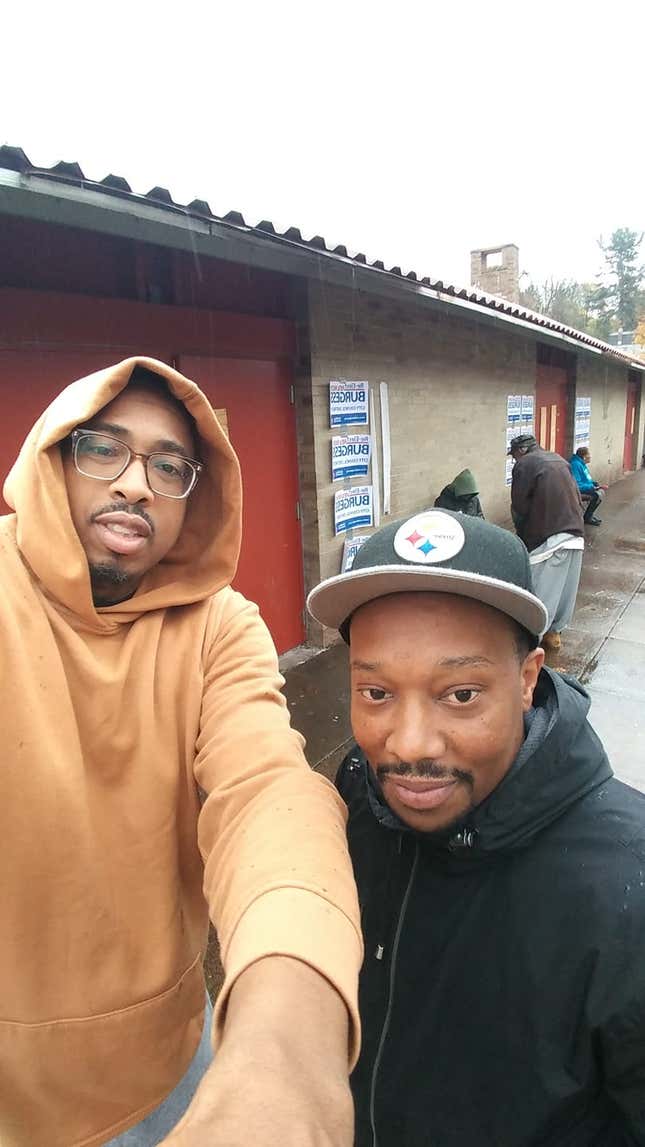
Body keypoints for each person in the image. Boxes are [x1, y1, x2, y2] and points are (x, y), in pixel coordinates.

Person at [0, 357, 362, 1147]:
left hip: (170, 1064)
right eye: (105, 449)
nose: (136, 483)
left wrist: (285, 1050)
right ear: (52, 455)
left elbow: (266, 789)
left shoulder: (218, 625)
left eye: (169, 466)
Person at [307, 508, 645, 1147]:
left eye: (460, 694)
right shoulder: (356, 798)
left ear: (526, 678)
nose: (407, 746)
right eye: (376, 693)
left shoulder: (627, 889)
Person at [509, 433, 584, 653]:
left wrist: (521, 536)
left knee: (543, 588)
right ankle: (554, 633)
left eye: (513, 454)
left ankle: (533, 638)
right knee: (565, 589)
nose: (514, 459)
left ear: (521, 450)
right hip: (575, 531)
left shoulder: (525, 464)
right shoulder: (559, 459)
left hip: (548, 535)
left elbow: (520, 506)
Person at [570, 445, 607, 525]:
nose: (590, 457)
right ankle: (587, 517)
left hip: (586, 487)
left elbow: (586, 479)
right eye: (588, 455)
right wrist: (592, 487)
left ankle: (589, 515)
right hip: (576, 491)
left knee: (600, 492)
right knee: (596, 495)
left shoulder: (582, 464)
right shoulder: (575, 465)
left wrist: (593, 484)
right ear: (584, 457)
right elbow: (577, 484)